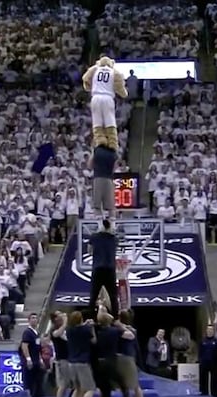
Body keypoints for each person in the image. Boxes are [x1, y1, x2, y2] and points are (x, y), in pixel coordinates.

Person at [82, 55, 128, 220]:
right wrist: (123, 93)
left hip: (95, 98)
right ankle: (112, 141)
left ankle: (100, 138)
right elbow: (120, 87)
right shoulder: (113, 71)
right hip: (108, 98)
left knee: (97, 126)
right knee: (110, 125)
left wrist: (89, 87)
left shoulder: (94, 69)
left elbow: (85, 79)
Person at [93, 307, 134, 397]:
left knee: (105, 386)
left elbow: (100, 319)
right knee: (122, 383)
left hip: (99, 362)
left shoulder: (96, 331)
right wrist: (121, 326)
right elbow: (131, 336)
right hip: (110, 361)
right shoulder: (114, 331)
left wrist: (100, 308)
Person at [66, 311, 97, 397]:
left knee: (77, 388)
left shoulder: (69, 330)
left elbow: (78, 328)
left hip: (71, 362)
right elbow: (94, 341)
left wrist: (85, 325)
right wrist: (92, 328)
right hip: (82, 362)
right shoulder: (86, 330)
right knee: (90, 388)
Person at [88, 219, 119, 316]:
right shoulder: (114, 238)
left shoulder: (94, 237)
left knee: (93, 296)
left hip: (97, 268)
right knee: (113, 296)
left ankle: (90, 317)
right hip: (110, 269)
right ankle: (115, 318)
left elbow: (89, 251)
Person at [116, 310, 143, 397]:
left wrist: (120, 325)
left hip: (127, 357)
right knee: (125, 384)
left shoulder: (129, 330)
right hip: (122, 357)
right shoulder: (120, 328)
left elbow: (130, 336)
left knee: (135, 384)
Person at [49, 312, 72, 397]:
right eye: (59, 315)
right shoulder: (54, 330)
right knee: (63, 382)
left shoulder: (64, 330)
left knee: (68, 382)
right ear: (55, 319)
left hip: (67, 358)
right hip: (62, 359)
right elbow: (57, 334)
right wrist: (65, 322)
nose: (62, 316)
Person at [20, 313, 43, 397]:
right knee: (28, 382)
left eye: (36, 318)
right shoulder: (27, 332)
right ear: (29, 320)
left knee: (37, 382)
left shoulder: (36, 333)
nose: (34, 320)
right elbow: (24, 346)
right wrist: (28, 359)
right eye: (32, 318)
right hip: (30, 361)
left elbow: (38, 347)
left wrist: (40, 359)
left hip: (36, 360)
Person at [198, 325, 217, 397]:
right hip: (204, 362)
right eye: (208, 330)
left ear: (213, 331)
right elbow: (200, 352)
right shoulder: (202, 341)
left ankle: (215, 393)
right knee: (203, 378)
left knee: (214, 379)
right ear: (206, 331)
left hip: (214, 363)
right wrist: (200, 360)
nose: (210, 331)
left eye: (211, 330)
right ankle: (203, 392)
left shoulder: (216, 341)